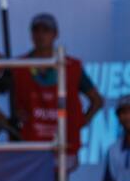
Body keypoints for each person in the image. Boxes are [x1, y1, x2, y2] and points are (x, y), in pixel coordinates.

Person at [12, 13, 103, 171]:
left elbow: (97, 101)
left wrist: (79, 123)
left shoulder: (71, 66)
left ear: (55, 34)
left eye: (46, 30)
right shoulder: (19, 66)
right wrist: (13, 118)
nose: (40, 35)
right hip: (31, 145)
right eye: (36, 30)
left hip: (64, 146)